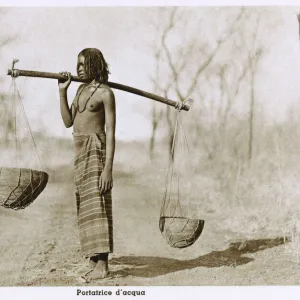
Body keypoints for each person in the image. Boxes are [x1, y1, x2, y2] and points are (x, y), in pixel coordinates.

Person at [58, 48, 116, 281]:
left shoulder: (106, 94)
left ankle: (103, 266)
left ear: (95, 66)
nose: (78, 68)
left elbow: (111, 132)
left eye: (83, 64)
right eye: (77, 64)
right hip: (80, 151)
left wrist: (108, 169)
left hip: (97, 152)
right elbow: (67, 122)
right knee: (86, 206)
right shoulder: (80, 90)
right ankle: (94, 261)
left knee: (98, 205)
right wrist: (63, 91)